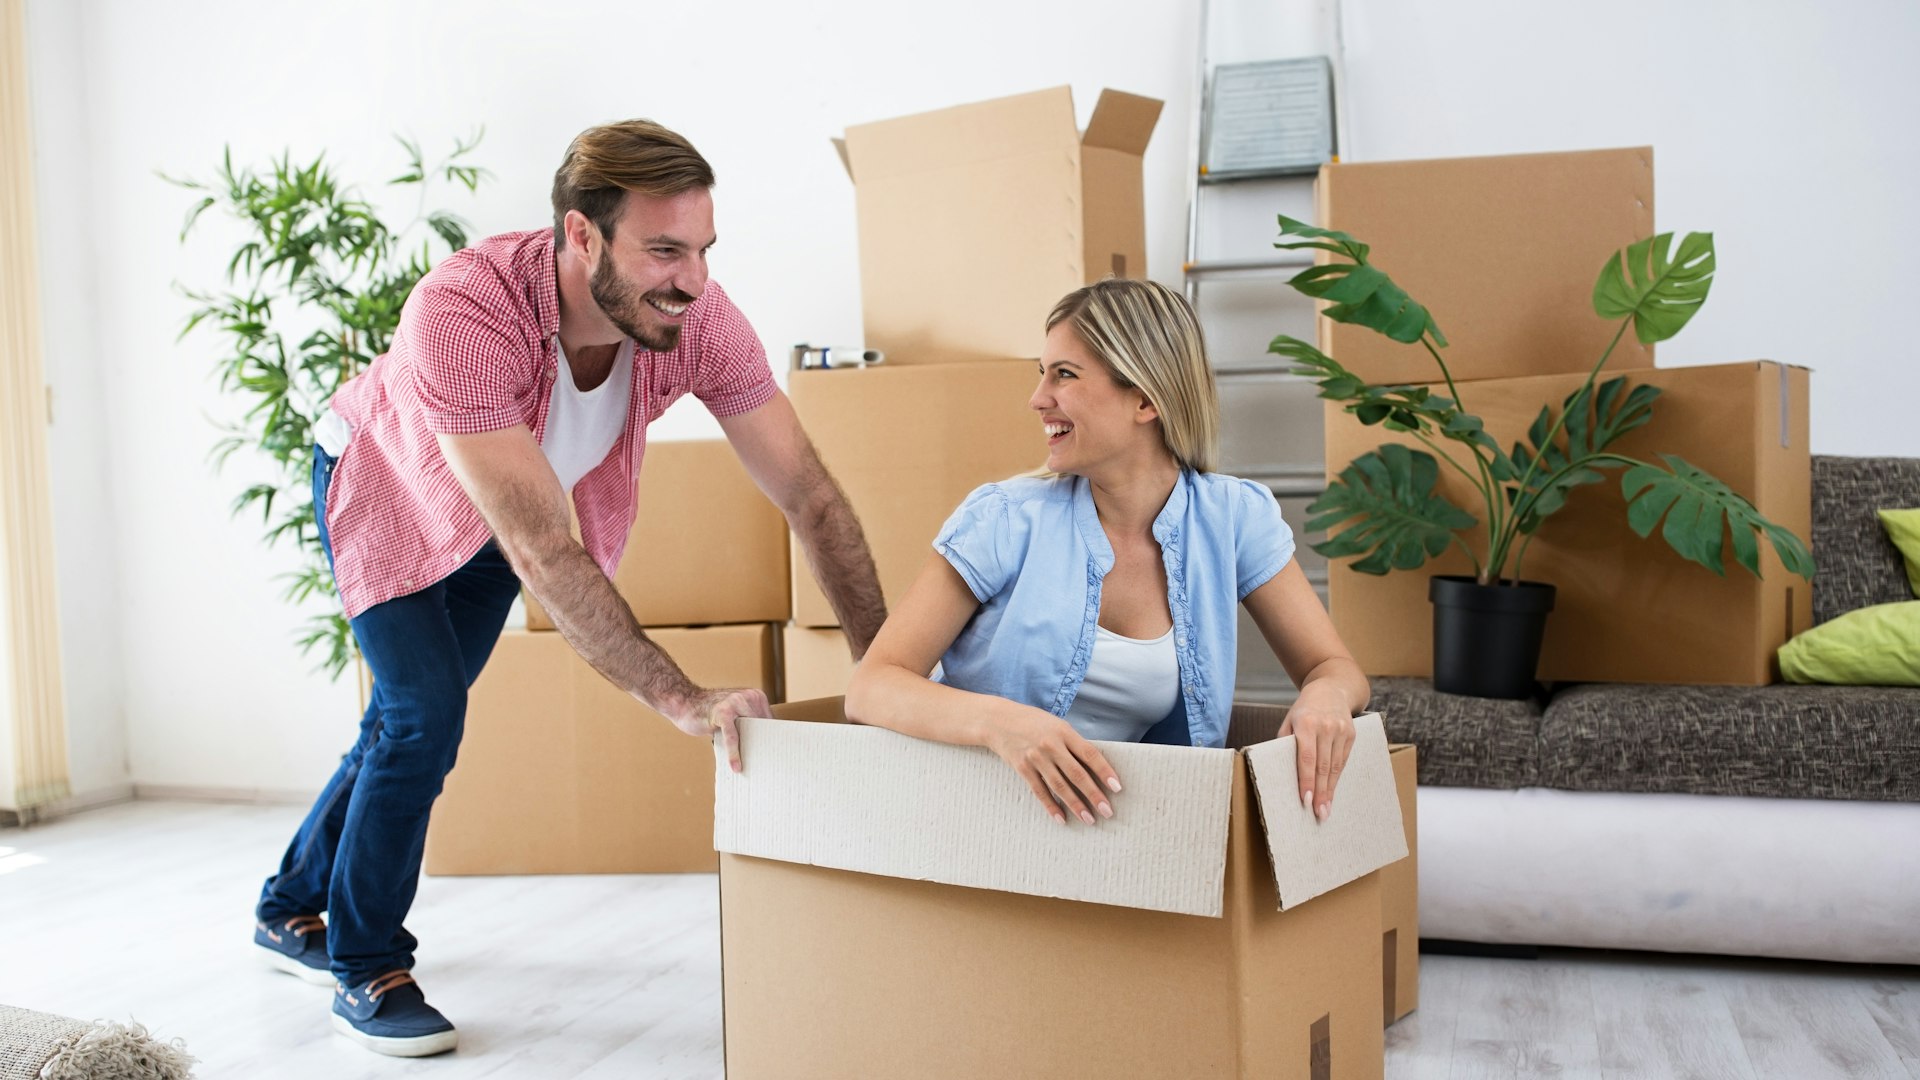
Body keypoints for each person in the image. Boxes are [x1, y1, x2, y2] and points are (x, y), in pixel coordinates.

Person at [251, 119, 886, 1058]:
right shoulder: (464, 311)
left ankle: (289, 904)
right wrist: (680, 694)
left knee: (406, 716)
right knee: (422, 718)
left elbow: (810, 494)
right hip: (385, 487)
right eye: (664, 250)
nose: (694, 280)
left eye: (704, 249)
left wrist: (886, 664)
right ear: (580, 235)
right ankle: (366, 962)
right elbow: (548, 552)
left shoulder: (693, 321)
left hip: (500, 514)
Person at [845, 278, 1366, 827]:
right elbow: (872, 686)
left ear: (1145, 398)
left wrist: (1326, 697)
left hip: (1123, 841)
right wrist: (1002, 725)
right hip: (976, 825)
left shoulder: (1232, 518)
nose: (1038, 398)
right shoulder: (1003, 519)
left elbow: (1333, 666)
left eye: (1064, 374)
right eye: (1041, 373)